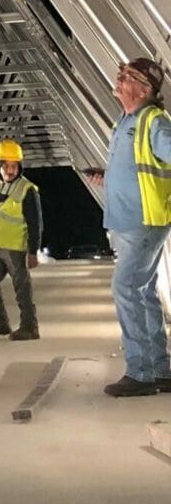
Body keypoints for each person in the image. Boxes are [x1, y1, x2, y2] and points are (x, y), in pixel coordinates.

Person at [81, 56, 171, 398]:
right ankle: (159, 370)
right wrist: (108, 178)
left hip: (143, 222)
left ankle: (141, 373)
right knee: (142, 293)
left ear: (144, 89)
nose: (119, 80)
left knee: (126, 289)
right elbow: (138, 169)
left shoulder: (154, 122)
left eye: (127, 77)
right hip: (129, 220)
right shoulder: (126, 121)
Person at [0, 138, 41, 341]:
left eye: (14, 166)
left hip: (15, 248)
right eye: (6, 166)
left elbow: (35, 222)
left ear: (19, 166)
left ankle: (29, 327)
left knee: (22, 288)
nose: (10, 170)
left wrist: (33, 251)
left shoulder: (27, 189)